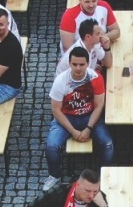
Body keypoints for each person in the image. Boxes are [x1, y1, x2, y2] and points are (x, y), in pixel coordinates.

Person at [45, 46, 113, 185]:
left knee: (108, 144)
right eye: (74, 64)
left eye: (82, 64)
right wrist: (74, 132)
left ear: (88, 64)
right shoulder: (60, 81)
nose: (78, 68)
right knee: (51, 146)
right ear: (69, 63)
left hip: (89, 116)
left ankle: (102, 176)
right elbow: (56, 111)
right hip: (67, 117)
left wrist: (88, 128)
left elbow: (99, 105)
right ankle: (54, 175)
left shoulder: (95, 78)